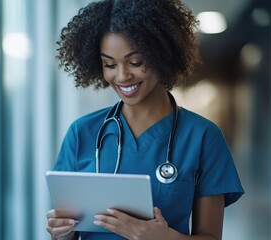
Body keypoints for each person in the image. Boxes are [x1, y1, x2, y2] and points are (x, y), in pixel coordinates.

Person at [46, 0, 244, 239]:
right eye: (109, 64)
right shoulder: (82, 133)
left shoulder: (202, 136)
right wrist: (62, 232)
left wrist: (164, 237)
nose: (122, 75)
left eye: (135, 62)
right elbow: (65, 230)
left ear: (162, 54)